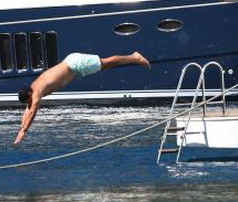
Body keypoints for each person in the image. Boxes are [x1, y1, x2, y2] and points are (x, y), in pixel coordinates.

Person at [14, 51, 150, 144]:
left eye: (29, 100)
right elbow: (28, 109)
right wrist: (20, 129)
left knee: (106, 63)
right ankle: (133, 58)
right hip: (73, 64)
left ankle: (134, 57)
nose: (30, 103)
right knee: (106, 65)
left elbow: (32, 112)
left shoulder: (36, 92)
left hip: (75, 64)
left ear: (30, 94)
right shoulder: (33, 88)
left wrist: (24, 131)